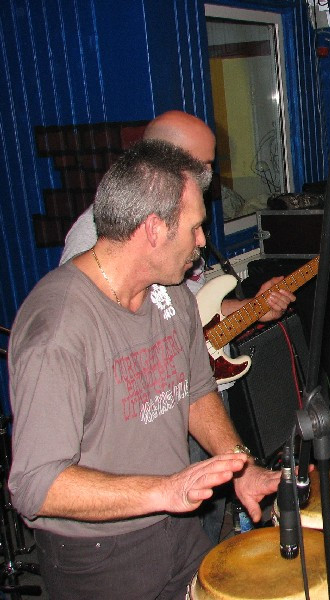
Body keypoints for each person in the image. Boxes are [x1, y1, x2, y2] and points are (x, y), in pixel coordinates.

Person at [8, 140, 284, 599]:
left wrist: (242, 467)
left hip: (176, 530)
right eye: (195, 227)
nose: (202, 240)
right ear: (154, 229)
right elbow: (35, 485)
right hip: (98, 556)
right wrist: (166, 491)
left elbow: (196, 390)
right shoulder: (59, 328)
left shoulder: (170, 292)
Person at [59, 110, 295, 543]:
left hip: (193, 400)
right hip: (148, 436)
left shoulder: (177, 234)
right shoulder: (95, 241)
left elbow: (192, 310)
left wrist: (251, 309)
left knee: (203, 531)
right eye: (201, 165)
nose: (209, 178)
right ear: (161, 163)